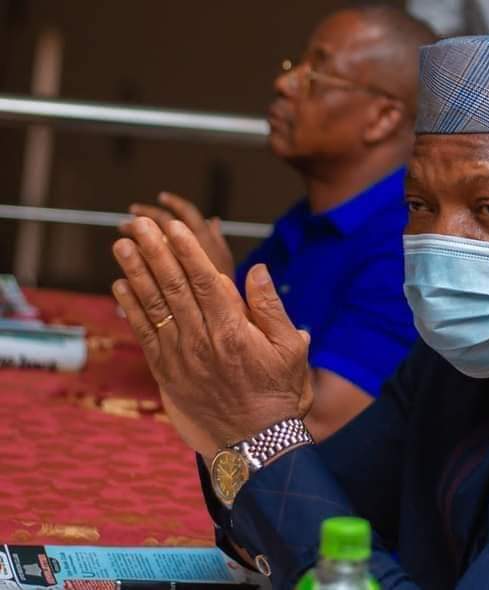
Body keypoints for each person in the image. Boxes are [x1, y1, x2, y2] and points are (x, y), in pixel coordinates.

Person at [112, 35, 489, 589]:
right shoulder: (484, 338)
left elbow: (300, 520)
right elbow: (321, 520)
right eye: (420, 204)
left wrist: (260, 436)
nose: (442, 243)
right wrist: (237, 423)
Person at [121, 7, 436, 441]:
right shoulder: (309, 217)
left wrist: (216, 289)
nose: (284, 83)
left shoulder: (405, 241)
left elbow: (321, 422)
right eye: (295, 66)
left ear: (382, 118)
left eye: (316, 75)